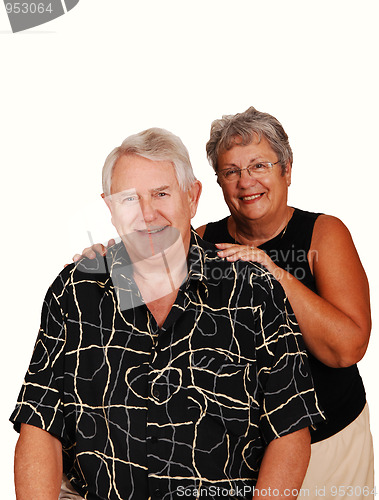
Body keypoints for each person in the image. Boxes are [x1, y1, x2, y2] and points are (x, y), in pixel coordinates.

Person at [10, 127, 323, 500]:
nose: (146, 213)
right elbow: (39, 423)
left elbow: (289, 430)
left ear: (192, 198)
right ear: (110, 208)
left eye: (161, 193)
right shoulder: (75, 293)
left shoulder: (253, 291)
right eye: (129, 199)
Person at [79, 108, 374, 499]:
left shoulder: (323, 233)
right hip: (243, 453)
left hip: (328, 441)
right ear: (214, 184)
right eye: (231, 171)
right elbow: (147, 307)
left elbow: (348, 348)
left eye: (259, 165)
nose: (245, 181)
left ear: (286, 169)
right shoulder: (202, 237)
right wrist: (108, 261)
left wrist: (272, 271)